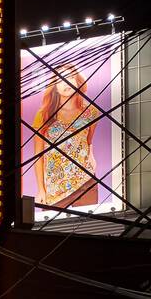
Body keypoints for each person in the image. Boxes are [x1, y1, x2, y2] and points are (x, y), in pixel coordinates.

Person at [31, 65, 100, 209]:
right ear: (54, 87)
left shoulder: (91, 112)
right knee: (54, 230)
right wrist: (41, 190)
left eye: (69, 77)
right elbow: (38, 156)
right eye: (60, 80)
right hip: (55, 190)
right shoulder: (43, 116)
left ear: (77, 81)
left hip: (86, 183)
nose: (66, 82)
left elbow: (88, 141)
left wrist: (91, 156)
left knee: (89, 228)